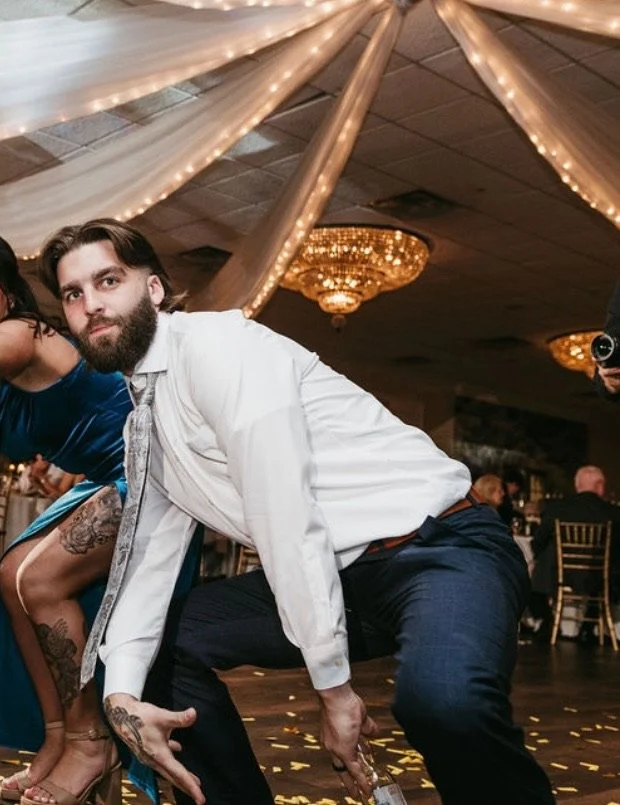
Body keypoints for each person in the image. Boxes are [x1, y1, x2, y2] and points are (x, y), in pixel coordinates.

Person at [41, 218, 553, 805]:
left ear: (153, 289)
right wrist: (124, 696)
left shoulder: (218, 349)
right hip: (344, 576)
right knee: (159, 645)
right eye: (74, 294)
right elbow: (151, 558)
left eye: (108, 280)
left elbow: (286, 517)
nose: (92, 306)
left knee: (442, 701)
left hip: (444, 549)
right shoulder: (145, 421)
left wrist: (334, 691)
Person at [0, 231, 198, 805]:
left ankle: (89, 744)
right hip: (103, 488)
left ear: (8, 292)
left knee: (38, 577)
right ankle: (57, 738)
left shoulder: (22, 335)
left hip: (151, 474)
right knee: (9, 574)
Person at [528, 465, 620, 641]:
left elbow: (538, 542)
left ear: (578, 486)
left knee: (544, 556)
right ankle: (601, 627)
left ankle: (550, 622)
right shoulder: (615, 514)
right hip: (602, 577)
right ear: (600, 486)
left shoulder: (556, 509)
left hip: (560, 577)